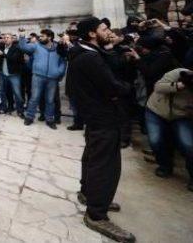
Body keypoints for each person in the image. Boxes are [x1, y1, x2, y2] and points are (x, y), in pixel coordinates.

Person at [66, 17, 135, 243]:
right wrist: (126, 88)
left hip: (96, 115)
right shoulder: (89, 58)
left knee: (93, 157)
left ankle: (89, 193)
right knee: (105, 164)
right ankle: (96, 213)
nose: (109, 31)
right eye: (104, 29)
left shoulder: (87, 53)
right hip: (103, 116)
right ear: (93, 34)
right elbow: (113, 86)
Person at [145, 68, 193, 192]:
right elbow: (158, 87)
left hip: (182, 115)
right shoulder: (179, 73)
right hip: (157, 110)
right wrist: (179, 85)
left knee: (188, 144)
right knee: (156, 140)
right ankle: (164, 165)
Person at [18, 28, 66, 129]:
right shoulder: (36, 46)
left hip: (52, 78)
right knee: (34, 98)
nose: (40, 37)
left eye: (43, 36)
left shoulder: (58, 48)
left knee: (50, 100)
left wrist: (59, 72)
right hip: (38, 76)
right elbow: (23, 47)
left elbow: (63, 61)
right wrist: (22, 35)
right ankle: (29, 117)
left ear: (50, 37)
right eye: (40, 36)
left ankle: (49, 119)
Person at [0, 34, 25, 116]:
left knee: (17, 93)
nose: (6, 39)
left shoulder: (16, 48)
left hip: (14, 74)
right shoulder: (1, 47)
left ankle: (20, 110)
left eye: (8, 37)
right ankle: (2, 108)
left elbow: (14, 59)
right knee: (1, 92)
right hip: (2, 73)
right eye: (4, 38)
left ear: (12, 39)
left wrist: (3, 54)